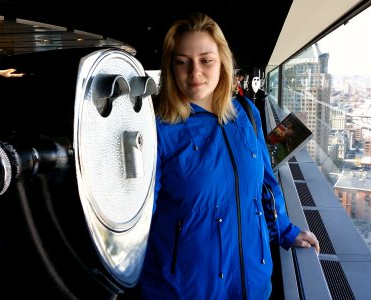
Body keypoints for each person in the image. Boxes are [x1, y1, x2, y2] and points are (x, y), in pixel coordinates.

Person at [135, 12, 320, 300]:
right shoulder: (156, 128)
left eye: (206, 60)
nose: (195, 72)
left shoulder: (247, 113)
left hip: (254, 282)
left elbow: (265, 185)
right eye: (183, 62)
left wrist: (284, 229)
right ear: (171, 68)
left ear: (222, 62)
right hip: (185, 289)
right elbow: (138, 218)